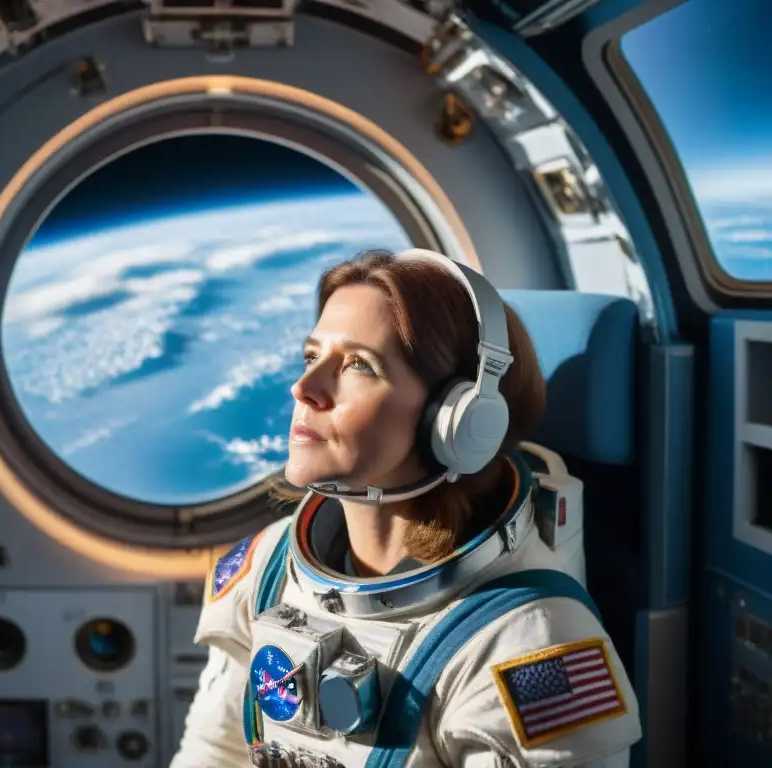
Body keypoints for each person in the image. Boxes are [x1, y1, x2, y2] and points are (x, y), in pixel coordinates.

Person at [170, 249, 641, 768]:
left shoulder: (531, 643)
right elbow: (214, 753)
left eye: (357, 365)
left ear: (459, 420)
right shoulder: (268, 566)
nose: (305, 389)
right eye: (311, 356)